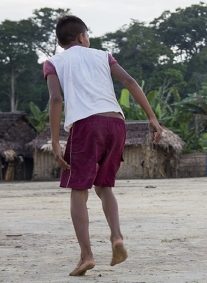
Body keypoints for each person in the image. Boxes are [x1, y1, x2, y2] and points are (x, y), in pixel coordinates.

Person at [44, 15, 162, 276]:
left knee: (78, 190)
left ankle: (86, 256)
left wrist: (54, 140)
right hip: (116, 123)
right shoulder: (103, 55)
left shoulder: (52, 62)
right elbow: (130, 82)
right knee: (104, 186)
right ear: (83, 37)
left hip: (86, 126)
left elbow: (55, 99)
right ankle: (117, 237)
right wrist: (152, 117)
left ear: (60, 40)